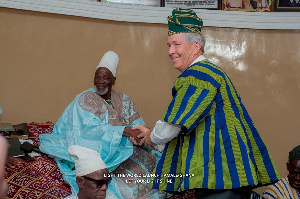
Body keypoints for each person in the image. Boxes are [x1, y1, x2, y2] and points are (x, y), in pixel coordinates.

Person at [132, 8, 280, 198]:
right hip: (227, 175)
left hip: (219, 177)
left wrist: (150, 136)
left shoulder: (198, 75)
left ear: (195, 47)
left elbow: (174, 124)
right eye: (169, 45)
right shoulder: (212, 72)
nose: (170, 51)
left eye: (177, 44)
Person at [39, 51, 165, 198]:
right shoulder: (84, 98)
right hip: (96, 149)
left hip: (124, 149)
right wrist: (123, 131)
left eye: (106, 78)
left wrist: (139, 135)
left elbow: (137, 124)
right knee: (110, 182)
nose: (100, 81)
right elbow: (87, 129)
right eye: (97, 77)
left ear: (114, 80)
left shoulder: (125, 100)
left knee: (153, 167)